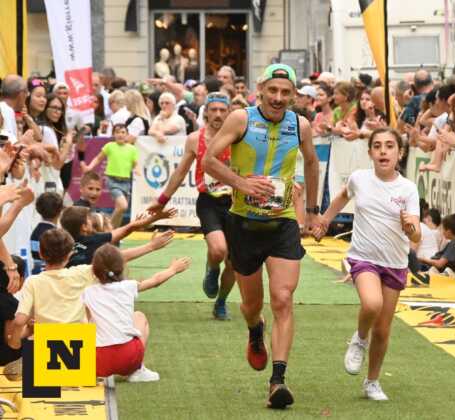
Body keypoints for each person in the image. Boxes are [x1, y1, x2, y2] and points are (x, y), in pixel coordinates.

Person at [202, 63, 320, 409]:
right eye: (273, 91)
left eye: (285, 93)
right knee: (251, 305)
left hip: (282, 223)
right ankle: (255, 330)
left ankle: (277, 381)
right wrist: (242, 184)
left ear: (293, 95)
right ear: (261, 90)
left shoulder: (300, 125)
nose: (278, 98)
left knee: (283, 298)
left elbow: (312, 163)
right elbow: (210, 160)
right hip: (244, 224)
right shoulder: (241, 119)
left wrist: (313, 211)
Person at [314, 127, 420, 401]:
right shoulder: (359, 178)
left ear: (400, 153)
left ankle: (372, 381)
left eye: (390, 146)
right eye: (378, 146)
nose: (383, 151)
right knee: (372, 304)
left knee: (382, 330)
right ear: (370, 152)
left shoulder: (408, 189)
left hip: (395, 263)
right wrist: (325, 219)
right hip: (364, 258)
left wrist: (410, 228)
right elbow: (342, 196)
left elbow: (416, 235)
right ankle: (360, 339)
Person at [6, 227, 175, 350]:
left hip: (44, 348)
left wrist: (14, 343)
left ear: (41, 254)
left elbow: (19, 321)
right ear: (69, 255)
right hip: (81, 347)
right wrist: (150, 246)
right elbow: (113, 259)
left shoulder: (33, 282)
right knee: (136, 317)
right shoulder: (82, 273)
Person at [148, 92, 236, 320]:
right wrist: (162, 201)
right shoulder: (195, 139)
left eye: (222, 110)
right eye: (213, 110)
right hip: (209, 202)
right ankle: (212, 267)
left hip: (237, 203)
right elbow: (180, 172)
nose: (218, 114)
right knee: (219, 250)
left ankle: (221, 302)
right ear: (206, 112)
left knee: (234, 262)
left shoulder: (239, 137)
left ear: (229, 112)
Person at [83, 244, 191, 382]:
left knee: (88, 323)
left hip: (97, 361)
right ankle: (137, 370)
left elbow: (87, 323)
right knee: (139, 316)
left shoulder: (88, 292)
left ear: (94, 270)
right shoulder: (129, 286)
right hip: (127, 358)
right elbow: (155, 281)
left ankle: (91, 372)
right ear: (122, 267)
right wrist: (173, 269)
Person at [60, 205, 175, 267]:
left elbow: (127, 229)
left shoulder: (64, 245)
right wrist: (151, 245)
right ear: (84, 227)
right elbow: (126, 233)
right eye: (88, 218)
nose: (112, 226)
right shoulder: (93, 241)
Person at [81, 124, 138, 227]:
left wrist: (137, 170)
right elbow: (98, 158)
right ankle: (108, 227)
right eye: (117, 132)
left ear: (127, 135)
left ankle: (114, 232)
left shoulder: (132, 149)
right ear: (113, 134)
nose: (120, 135)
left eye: (123, 132)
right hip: (113, 181)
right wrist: (89, 167)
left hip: (126, 182)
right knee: (123, 206)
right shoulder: (110, 146)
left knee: (120, 210)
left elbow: (135, 163)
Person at [30, 192, 64, 274]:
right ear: (60, 211)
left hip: (36, 273)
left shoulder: (35, 232)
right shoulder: (56, 235)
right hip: (52, 274)